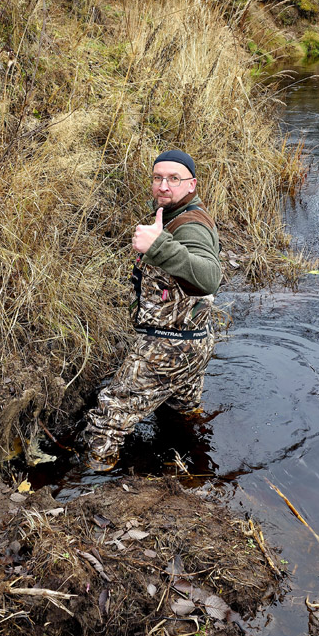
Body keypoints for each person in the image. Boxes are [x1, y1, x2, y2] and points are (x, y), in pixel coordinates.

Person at [83, 148, 221, 471]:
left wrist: (157, 245)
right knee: (178, 413)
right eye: (158, 178)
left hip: (166, 348)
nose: (163, 185)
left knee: (109, 416)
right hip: (195, 344)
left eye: (174, 179)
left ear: (192, 185)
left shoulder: (191, 228)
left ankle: (95, 481)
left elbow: (210, 278)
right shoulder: (176, 215)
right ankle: (192, 466)